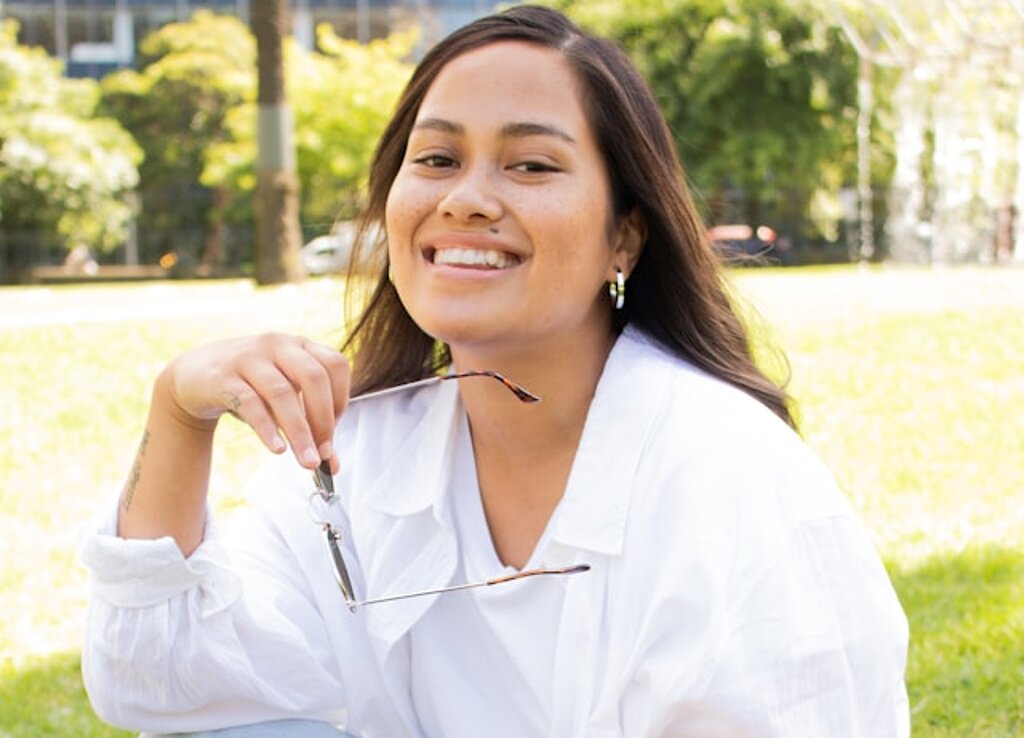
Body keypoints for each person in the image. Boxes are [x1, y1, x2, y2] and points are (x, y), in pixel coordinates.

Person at [80, 6, 910, 738]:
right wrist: (180, 409)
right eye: (437, 160)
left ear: (625, 236)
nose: (468, 199)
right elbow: (160, 686)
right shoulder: (364, 452)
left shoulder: (724, 470)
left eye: (532, 165)